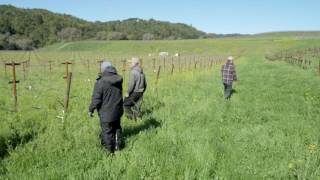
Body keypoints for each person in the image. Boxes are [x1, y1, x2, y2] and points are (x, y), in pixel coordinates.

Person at [89, 61, 124, 153]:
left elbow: (96, 99)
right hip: (118, 110)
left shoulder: (100, 82)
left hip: (106, 112)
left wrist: (91, 109)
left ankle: (109, 151)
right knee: (117, 127)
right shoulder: (119, 79)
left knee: (107, 131)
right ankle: (118, 146)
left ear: (103, 70)